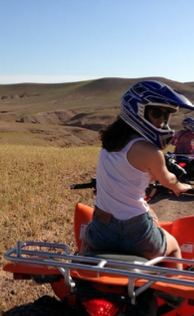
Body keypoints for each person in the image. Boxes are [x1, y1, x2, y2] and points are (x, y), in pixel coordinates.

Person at [82, 80, 194, 270]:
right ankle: (171, 294)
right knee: (174, 246)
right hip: (137, 232)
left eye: (166, 115)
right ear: (138, 110)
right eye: (157, 113)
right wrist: (182, 186)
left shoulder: (109, 145)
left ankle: (81, 275)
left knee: (86, 242)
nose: (162, 121)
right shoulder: (151, 151)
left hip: (101, 228)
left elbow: (131, 172)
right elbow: (168, 180)